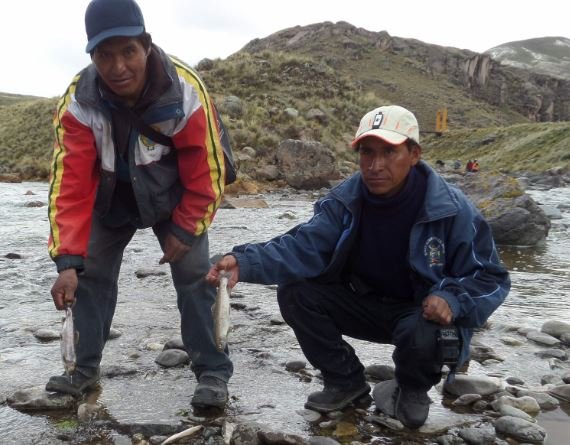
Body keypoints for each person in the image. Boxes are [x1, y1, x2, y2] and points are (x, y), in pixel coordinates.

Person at [206, 105, 510, 428]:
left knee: (424, 335)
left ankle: (411, 388)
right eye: (367, 152)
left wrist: (453, 299)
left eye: (389, 152)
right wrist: (244, 261)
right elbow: (302, 246)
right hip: (366, 305)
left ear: (414, 153)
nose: (375, 165)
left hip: (421, 314)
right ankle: (345, 381)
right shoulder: (344, 200)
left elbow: (491, 278)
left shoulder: (453, 209)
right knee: (296, 290)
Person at [46, 0, 233, 409]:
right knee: (87, 273)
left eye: (127, 51)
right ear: (91, 55)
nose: (117, 67)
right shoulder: (78, 101)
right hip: (111, 199)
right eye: (104, 55)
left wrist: (185, 229)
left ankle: (213, 373)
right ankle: (81, 371)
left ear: (146, 45)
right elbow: (70, 187)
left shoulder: (185, 90)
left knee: (196, 274)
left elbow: (208, 172)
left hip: (173, 197)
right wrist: (67, 261)